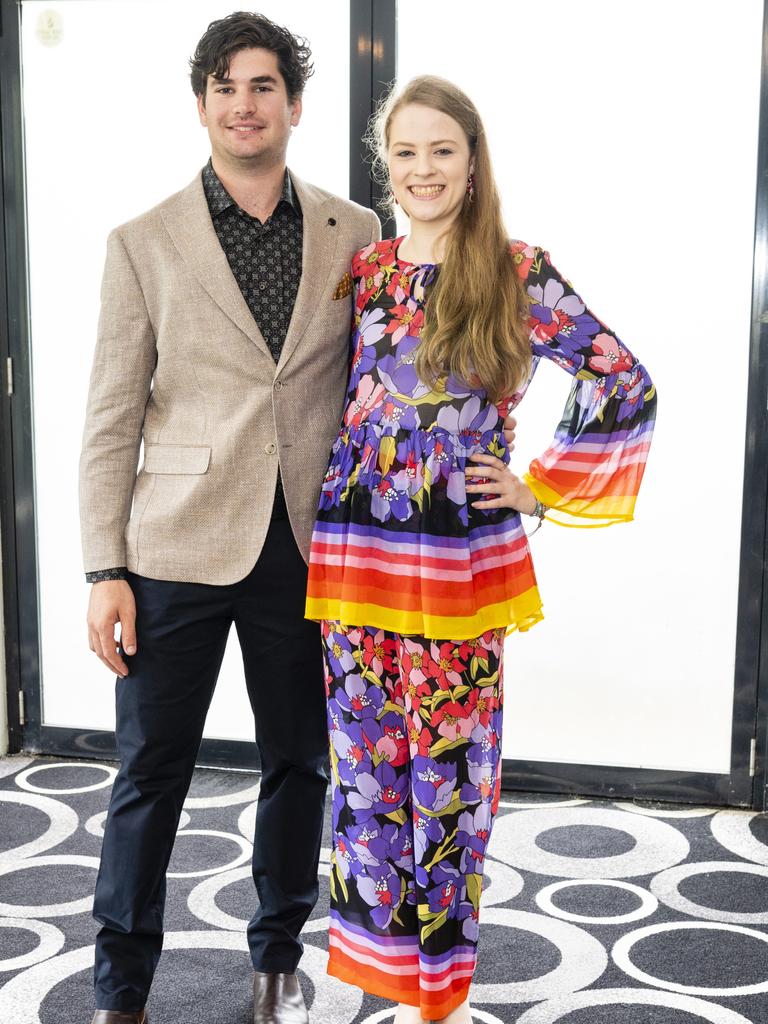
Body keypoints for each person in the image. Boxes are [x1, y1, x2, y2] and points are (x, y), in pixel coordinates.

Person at [305, 76, 657, 1024]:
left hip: (456, 566)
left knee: (450, 775)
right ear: (390, 164)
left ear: (472, 162)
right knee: (369, 776)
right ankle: (384, 975)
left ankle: (441, 993)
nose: (423, 170)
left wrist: (536, 484)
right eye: (406, 153)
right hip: (354, 560)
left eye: (442, 151)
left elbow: (622, 380)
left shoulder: (516, 268)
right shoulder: (365, 271)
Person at [78, 12, 384, 1024]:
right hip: (172, 545)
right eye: (223, 86)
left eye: (262, 86)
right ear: (202, 104)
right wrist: (102, 568)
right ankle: (121, 992)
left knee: (297, 764)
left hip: (306, 547)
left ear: (294, 105)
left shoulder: (357, 234)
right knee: (148, 775)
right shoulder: (143, 241)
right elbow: (112, 414)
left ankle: (274, 965)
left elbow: (375, 386)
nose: (242, 103)